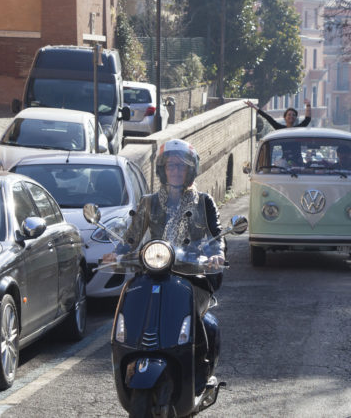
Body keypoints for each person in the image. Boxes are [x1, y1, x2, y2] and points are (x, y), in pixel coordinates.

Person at [101, 139, 226, 314]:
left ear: (190, 170)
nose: (176, 171)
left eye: (182, 166)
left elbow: (216, 235)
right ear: (163, 170)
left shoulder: (204, 202)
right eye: (171, 166)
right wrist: (117, 253)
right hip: (155, 269)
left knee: (196, 314)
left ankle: (197, 330)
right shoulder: (149, 202)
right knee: (133, 305)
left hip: (192, 271)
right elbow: (132, 237)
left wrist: (217, 254)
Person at [246, 99, 311, 130]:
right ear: (285, 117)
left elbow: (307, 119)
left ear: (296, 118)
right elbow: (268, 118)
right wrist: (254, 107)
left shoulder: (298, 129)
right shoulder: (280, 128)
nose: (291, 116)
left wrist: (308, 105)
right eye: (289, 115)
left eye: (293, 115)